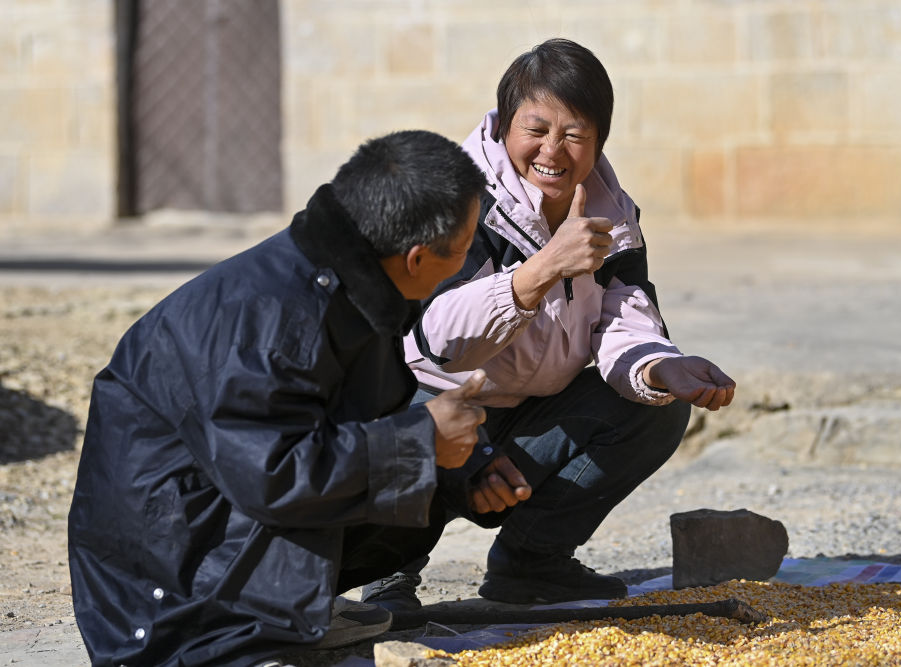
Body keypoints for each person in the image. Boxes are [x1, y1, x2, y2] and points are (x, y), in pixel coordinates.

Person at [67, 130, 490, 667]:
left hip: (217, 515)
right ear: (416, 258)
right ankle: (243, 634)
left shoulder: (348, 276)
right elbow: (272, 475)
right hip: (164, 601)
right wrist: (423, 441)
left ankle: (294, 611)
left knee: (419, 470)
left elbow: (366, 414)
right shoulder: (271, 323)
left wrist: (464, 465)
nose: (468, 260)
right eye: (465, 247)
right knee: (408, 457)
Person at [361, 39, 736, 610]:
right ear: (503, 126)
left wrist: (660, 366)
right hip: (433, 405)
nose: (552, 151)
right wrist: (539, 272)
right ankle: (388, 572)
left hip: (524, 419)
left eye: (575, 135)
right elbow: (434, 340)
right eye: (536, 130)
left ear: (599, 140)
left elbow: (623, 312)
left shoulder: (612, 215)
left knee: (656, 409)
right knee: (398, 411)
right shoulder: (455, 201)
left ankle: (532, 563)